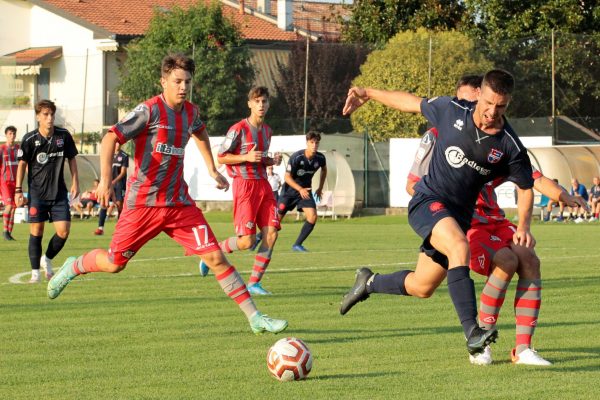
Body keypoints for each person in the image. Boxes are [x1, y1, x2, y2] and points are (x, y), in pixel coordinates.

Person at [47, 54, 287, 334]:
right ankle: (73, 266)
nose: (183, 87)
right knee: (114, 264)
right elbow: (111, 137)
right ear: (164, 82)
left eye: (187, 81)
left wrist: (211, 168)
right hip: (143, 205)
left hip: (179, 205)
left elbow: (200, 133)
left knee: (215, 257)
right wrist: (106, 182)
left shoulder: (191, 113)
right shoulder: (148, 111)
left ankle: (255, 317)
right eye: (177, 81)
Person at [340, 69, 536, 358]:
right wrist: (368, 93)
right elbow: (409, 102)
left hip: (457, 217)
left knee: (422, 285)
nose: (492, 112)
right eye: (488, 103)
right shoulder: (451, 109)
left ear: (508, 104)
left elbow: (526, 186)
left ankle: (369, 282)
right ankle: (473, 332)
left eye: (501, 106)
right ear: (479, 94)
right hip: (427, 201)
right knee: (460, 246)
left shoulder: (509, 145)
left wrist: (524, 225)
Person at [400, 75, 586, 365]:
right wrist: (442, 211)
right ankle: (481, 341)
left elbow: (532, 179)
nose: (470, 105)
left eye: (474, 99)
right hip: (464, 223)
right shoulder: (439, 135)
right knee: (505, 262)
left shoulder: (499, 142)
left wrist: (564, 196)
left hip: (495, 221)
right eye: (465, 100)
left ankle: (523, 349)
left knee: (529, 258)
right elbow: (413, 184)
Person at [199, 86, 282, 296]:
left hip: (263, 185)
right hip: (245, 187)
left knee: (271, 234)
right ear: (250, 104)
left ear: (268, 104)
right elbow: (221, 157)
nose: (261, 105)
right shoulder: (238, 129)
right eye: (257, 102)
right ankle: (211, 253)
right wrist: (245, 157)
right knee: (247, 242)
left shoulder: (268, 131)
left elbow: (260, 159)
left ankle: (254, 283)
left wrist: (270, 161)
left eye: (264, 101)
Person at [15, 100, 80, 283]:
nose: (49, 118)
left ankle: (47, 259)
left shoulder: (63, 135)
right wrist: (19, 190)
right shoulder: (29, 139)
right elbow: (22, 165)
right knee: (37, 230)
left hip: (59, 192)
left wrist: (76, 182)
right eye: (45, 114)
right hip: (37, 194)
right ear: (38, 117)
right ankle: (35, 273)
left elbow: (72, 159)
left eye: (51, 114)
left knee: (63, 231)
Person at [277, 131, 327, 252]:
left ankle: (297, 244)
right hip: (290, 191)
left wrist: (320, 188)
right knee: (276, 222)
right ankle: (258, 237)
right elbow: (287, 177)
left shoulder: (320, 158)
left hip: (306, 191)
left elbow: (324, 170)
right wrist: (299, 189)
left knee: (313, 216)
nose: (314, 145)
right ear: (307, 143)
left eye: (317, 142)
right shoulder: (297, 157)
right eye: (312, 142)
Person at [94, 142, 128, 235]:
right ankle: (100, 228)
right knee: (103, 203)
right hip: (108, 184)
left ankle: (119, 229)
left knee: (119, 205)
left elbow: (123, 172)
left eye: (118, 143)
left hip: (119, 184)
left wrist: (114, 181)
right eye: (115, 143)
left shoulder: (124, 156)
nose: (117, 145)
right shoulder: (109, 155)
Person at [1, 126, 19, 240]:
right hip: (4, 182)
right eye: (10, 133)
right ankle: (4, 231)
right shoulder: (2, 149)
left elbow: (24, 164)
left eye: (14, 133)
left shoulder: (19, 149)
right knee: (8, 206)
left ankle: (9, 233)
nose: (12, 136)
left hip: (16, 182)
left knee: (14, 207)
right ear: (6, 135)